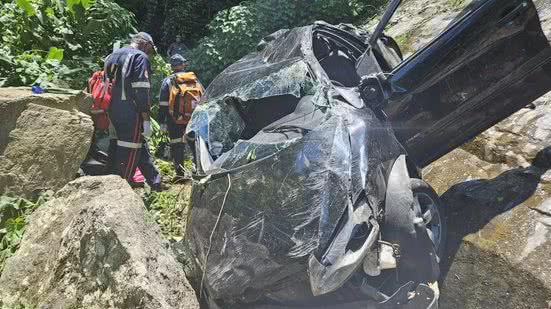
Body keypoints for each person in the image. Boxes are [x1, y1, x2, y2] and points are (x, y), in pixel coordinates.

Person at [104, 32, 163, 191]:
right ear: (145, 44)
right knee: (129, 149)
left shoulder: (111, 56)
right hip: (130, 111)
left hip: (110, 109)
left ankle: (155, 182)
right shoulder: (139, 58)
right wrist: (146, 118)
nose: (149, 54)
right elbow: (142, 90)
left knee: (127, 145)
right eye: (150, 50)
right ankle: (121, 188)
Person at [158, 54, 203, 180]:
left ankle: (179, 174)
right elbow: (203, 97)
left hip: (174, 118)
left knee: (177, 144)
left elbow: (163, 104)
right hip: (193, 117)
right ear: (183, 65)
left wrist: (162, 121)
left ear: (172, 67)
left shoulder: (168, 81)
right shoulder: (194, 80)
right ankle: (198, 171)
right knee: (195, 144)